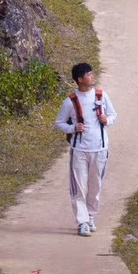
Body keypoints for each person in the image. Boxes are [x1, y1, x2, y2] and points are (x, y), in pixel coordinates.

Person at [55, 62, 117, 236]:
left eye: (92, 73)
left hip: (100, 148)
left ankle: (91, 216)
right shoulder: (70, 101)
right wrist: (73, 128)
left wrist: (107, 119)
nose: (92, 76)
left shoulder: (101, 96)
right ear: (79, 79)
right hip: (79, 150)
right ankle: (82, 222)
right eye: (88, 74)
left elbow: (113, 115)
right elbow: (59, 122)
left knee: (95, 185)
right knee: (79, 187)